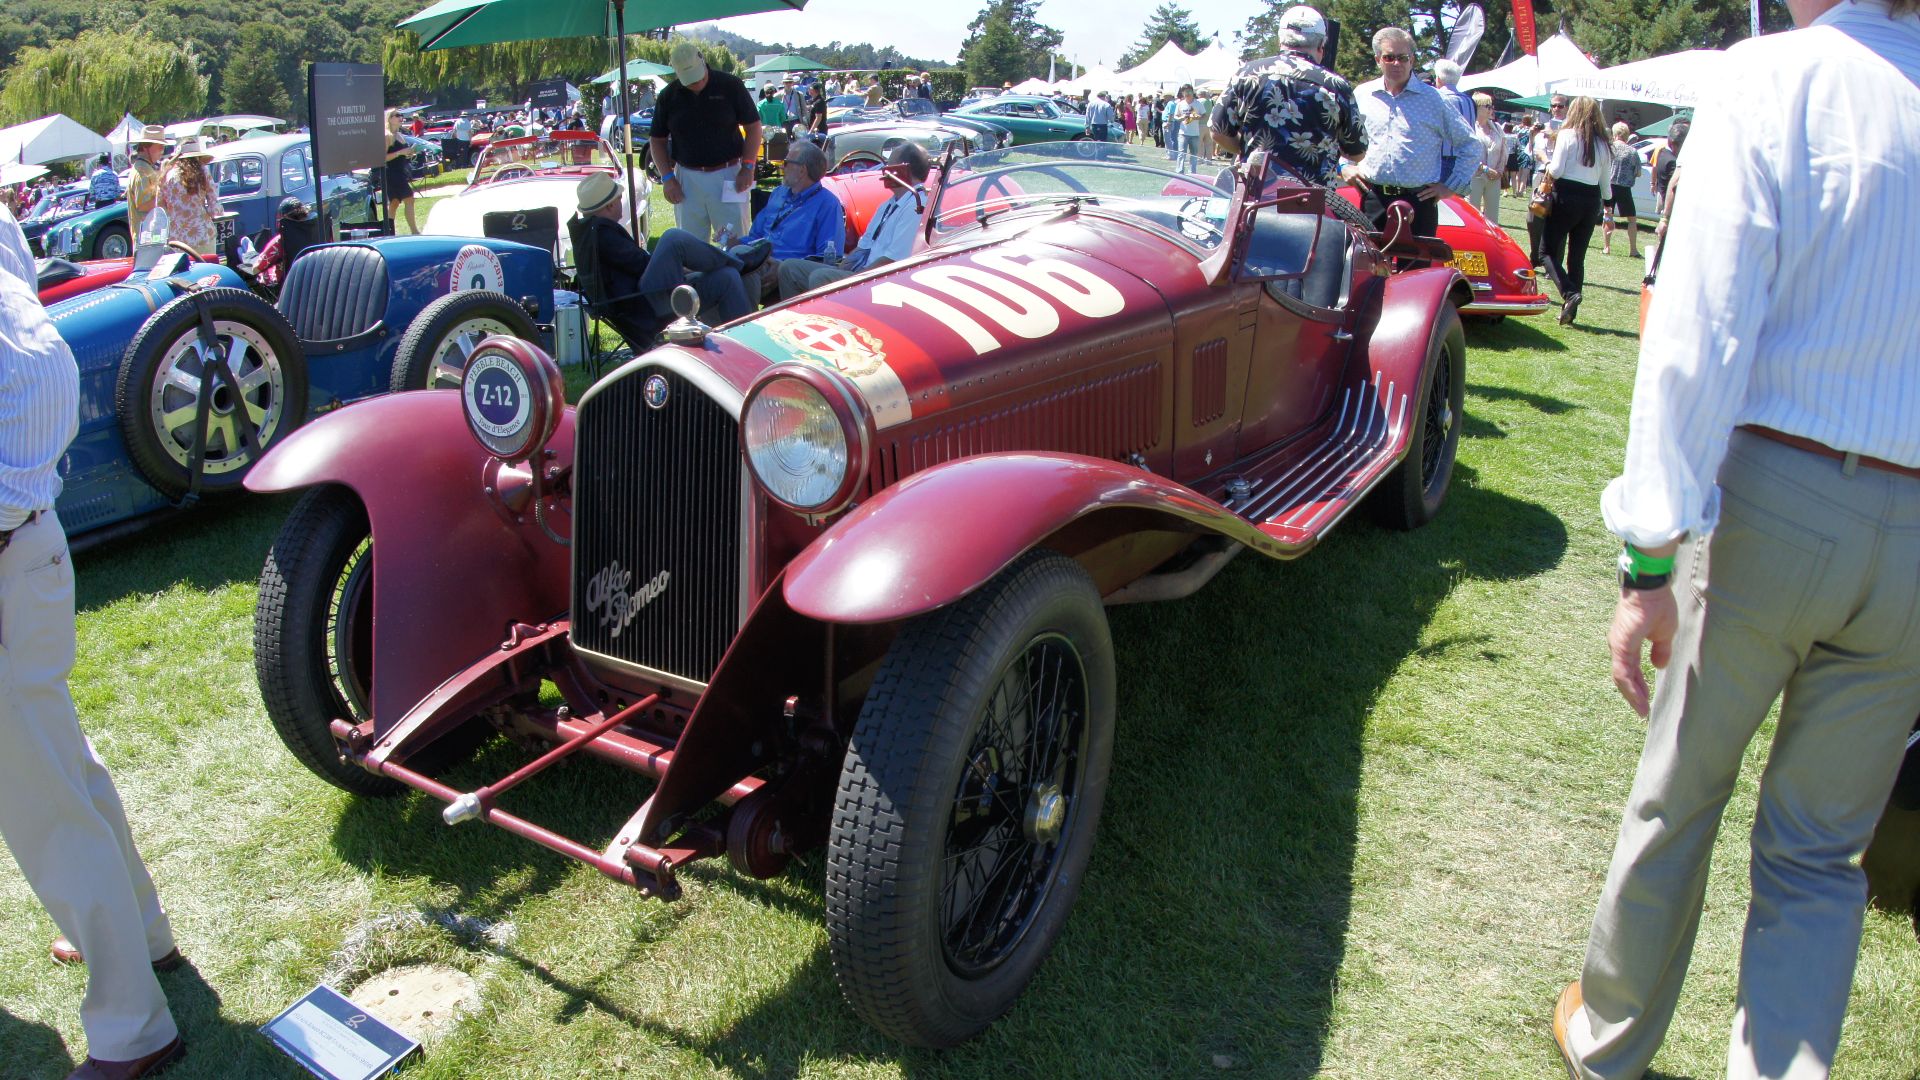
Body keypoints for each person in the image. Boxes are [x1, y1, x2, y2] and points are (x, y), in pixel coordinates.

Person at [1556, 4, 1920, 1079]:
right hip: (1909, 538)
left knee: (1682, 792)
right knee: (1818, 855)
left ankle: (1609, 1035)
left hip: (1782, 494)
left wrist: (1651, 556)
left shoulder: (1774, 75)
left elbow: (1699, 331)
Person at [1, 200, 187, 1080]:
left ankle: (131, 1028)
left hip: (7, 547)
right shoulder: (4, 256)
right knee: (60, 763)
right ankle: (139, 933)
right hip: (26, 538)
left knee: (42, 798)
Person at [573, 173, 758, 345]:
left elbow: (635, 264)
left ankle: (747, 346)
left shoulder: (589, 233)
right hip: (645, 306)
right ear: (609, 206)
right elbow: (641, 264)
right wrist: (677, 264)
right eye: (619, 199)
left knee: (727, 276)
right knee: (673, 238)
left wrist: (681, 267)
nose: (622, 203)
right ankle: (738, 260)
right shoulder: (603, 235)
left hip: (643, 299)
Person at [1212, 4, 1367, 187]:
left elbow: (1218, 132)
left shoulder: (1247, 74)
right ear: (1321, 46)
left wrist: (1252, 150)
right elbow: (1357, 151)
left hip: (1258, 194)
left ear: (1280, 40)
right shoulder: (1336, 86)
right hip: (1312, 201)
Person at [1348, 26, 1481, 239]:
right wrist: (1345, 166)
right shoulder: (1362, 95)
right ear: (1378, 60)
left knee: (1416, 271)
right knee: (1369, 269)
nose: (1397, 63)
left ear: (1412, 60)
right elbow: (1341, 136)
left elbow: (1471, 145)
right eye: (1389, 57)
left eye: (1403, 57)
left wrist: (1449, 186)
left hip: (1419, 202)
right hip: (1373, 198)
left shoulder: (1434, 99)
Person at [778, 143, 929, 299]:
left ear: (902, 169)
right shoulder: (889, 204)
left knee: (820, 277)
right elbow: (863, 246)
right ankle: (794, 321)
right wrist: (841, 267)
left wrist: (855, 278)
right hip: (861, 271)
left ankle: (825, 322)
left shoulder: (916, 207)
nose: (884, 170)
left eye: (889, 164)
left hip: (877, 280)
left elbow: (892, 261)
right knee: (789, 268)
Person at [650, 41, 761, 245]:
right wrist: (667, 178)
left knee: (735, 242)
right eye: (689, 81)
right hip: (687, 177)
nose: (696, 84)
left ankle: (737, 277)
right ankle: (695, 278)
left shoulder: (731, 85)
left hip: (729, 174)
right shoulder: (669, 96)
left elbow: (754, 127)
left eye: (699, 78)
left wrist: (748, 167)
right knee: (691, 245)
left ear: (703, 62)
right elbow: (657, 140)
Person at [739, 140, 844, 302]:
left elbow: (828, 256)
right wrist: (736, 242)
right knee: (722, 272)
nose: (782, 166)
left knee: (738, 278)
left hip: (786, 269)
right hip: (760, 259)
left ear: (802, 170)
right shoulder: (778, 193)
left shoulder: (827, 204)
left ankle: (741, 321)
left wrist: (782, 265)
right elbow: (756, 236)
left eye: (786, 163)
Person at [1538, 96, 1613, 324]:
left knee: (1546, 252)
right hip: (1591, 201)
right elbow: (1605, 184)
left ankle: (1569, 294)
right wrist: (1609, 208)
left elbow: (1557, 170)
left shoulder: (1567, 135)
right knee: (1577, 258)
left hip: (1566, 197)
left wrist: (1545, 160)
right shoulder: (1602, 143)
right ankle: (1570, 312)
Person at [155, 138, 220, 256]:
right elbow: (213, 208)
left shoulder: (166, 175)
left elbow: (160, 208)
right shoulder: (203, 172)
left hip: (177, 239)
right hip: (202, 234)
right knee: (206, 272)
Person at [1601, 120, 1643, 257]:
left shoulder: (1609, 148)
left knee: (1607, 216)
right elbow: (1638, 172)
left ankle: (1606, 247)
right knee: (1632, 219)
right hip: (1624, 188)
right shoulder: (1633, 151)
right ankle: (1633, 249)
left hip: (1609, 186)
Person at [124, 126, 167, 242]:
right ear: (145, 147)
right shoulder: (142, 172)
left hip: (150, 237)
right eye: (159, 146)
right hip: (147, 240)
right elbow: (143, 205)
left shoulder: (145, 169)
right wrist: (167, 197)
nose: (162, 151)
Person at [1470, 93, 1506, 225]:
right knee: (1472, 214)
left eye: (1492, 106)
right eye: (1487, 106)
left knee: (1492, 218)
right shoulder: (1470, 127)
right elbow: (1468, 153)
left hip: (1494, 178)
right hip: (1475, 176)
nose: (1491, 109)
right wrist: (1485, 169)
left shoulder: (1497, 128)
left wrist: (1499, 171)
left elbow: (1504, 151)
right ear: (1477, 107)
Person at [382, 109, 418, 234]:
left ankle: (388, 232)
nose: (400, 117)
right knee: (409, 198)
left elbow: (402, 154)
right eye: (397, 115)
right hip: (391, 173)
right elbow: (382, 158)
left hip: (400, 171)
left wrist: (409, 153)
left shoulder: (399, 135)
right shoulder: (387, 136)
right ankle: (414, 231)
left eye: (401, 115)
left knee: (394, 203)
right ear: (389, 118)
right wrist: (400, 153)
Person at [1651, 119, 1687, 216]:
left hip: (1663, 195)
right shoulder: (1672, 160)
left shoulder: (1663, 153)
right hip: (1668, 201)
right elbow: (1674, 186)